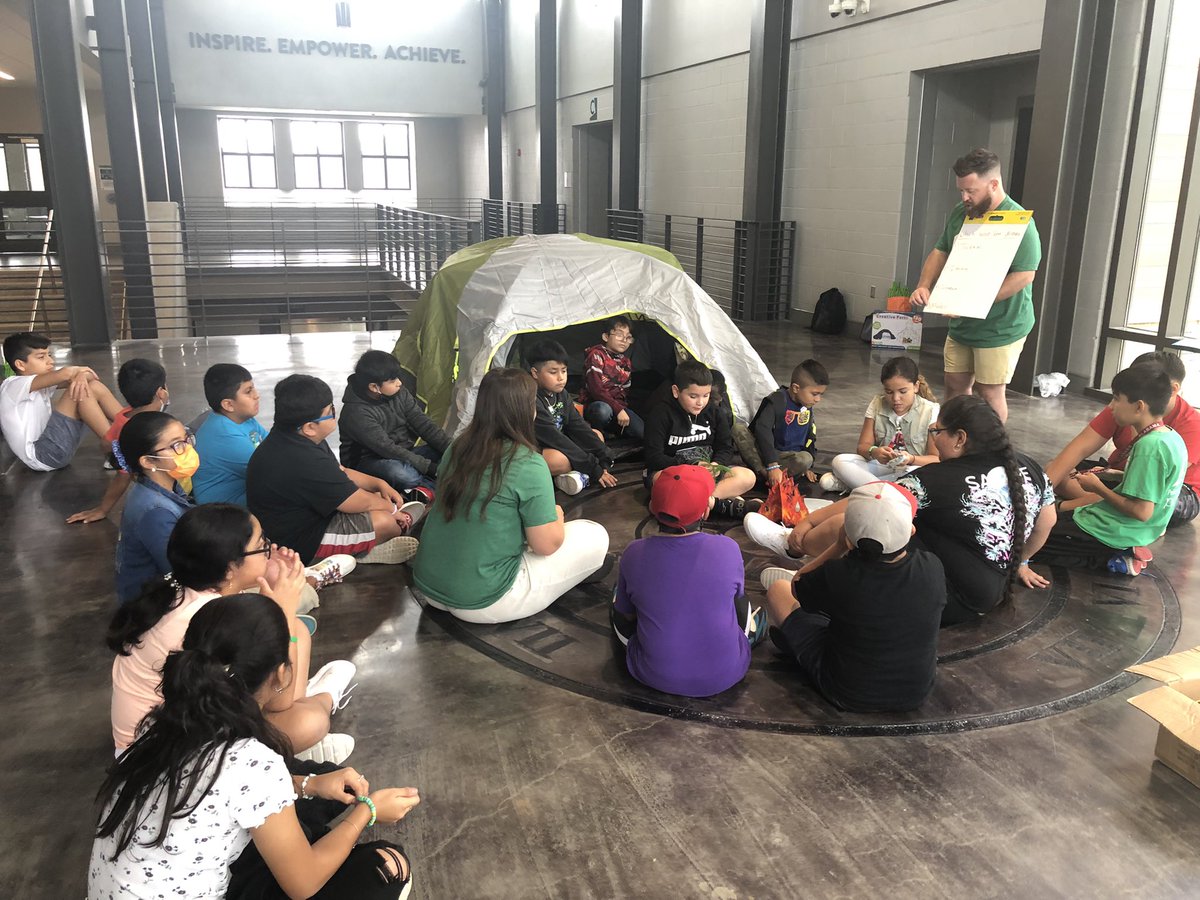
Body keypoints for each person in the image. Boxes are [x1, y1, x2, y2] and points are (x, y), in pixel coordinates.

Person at [89, 595, 420, 900]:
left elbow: (227, 787)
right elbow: (303, 884)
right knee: (388, 868)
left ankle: (306, 825)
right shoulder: (252, 762)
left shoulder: (162, 723)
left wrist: (308, 785)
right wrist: (369, 812)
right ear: (280, 675)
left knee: (321, 778)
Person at [746, 396, 1056, 625]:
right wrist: (1018, 561)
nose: (933, 439)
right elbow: (1047, 521)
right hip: (989, 594)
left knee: (859, 523)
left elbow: (869, 499)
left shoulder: (942, 478)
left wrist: (809, 519)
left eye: (937, 433)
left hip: (944, 597)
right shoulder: (1029, 467)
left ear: (960, 438)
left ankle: (793, 545)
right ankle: (799, 552)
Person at [108, 503, 357, 763]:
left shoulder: (190, 586)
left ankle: (298, 723)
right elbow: (276, 701)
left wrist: (275, 591)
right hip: (165, 756)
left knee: (296, 630)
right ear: (229, 568)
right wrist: (281, 610)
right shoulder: (204, 620)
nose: (271, 551)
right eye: (262, 547)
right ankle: (322, 699)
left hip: (182, 724)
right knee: (311, 722)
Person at [412, 368, 610, 624]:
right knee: (594, 534)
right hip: (486, 600)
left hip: (431, 589)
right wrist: (558, 518)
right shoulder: (529, 463)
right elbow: (545, 545)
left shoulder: (457, 446)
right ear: (528, 410)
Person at [758, 482, 947, 712]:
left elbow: (797, 585)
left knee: (779, 589)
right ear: (911, 530)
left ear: (847, 533)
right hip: (915, 693)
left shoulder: (838, 574)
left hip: (846, 691)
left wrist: (837, 546)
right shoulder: (932, 566)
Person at [909, 148, 1042, 423]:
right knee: (955, 387)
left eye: (971, 190)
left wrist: (974, 302)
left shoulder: (1021, 223)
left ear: (993, 184)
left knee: (990, 393)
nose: (964, 197)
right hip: (962, 323)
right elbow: (940, 250)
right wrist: (924, 284)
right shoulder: (962, 212)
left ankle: (992, 455)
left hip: (1001, 326)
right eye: (961, 191)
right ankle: (954, 448)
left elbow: (1024, 276)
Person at [611, 465, 764, 697]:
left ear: (653, 507)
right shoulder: (727, 548)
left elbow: (627, 614)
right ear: (705, 512)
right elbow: (736, 598)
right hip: (728, 672)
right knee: (736, 599)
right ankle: (752, 627)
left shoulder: (634, 553)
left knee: (619, 598)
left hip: (654, 674)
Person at [246, 374, 424, 566]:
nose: (334, 413)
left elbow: (342, 472)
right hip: (299, 542)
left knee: (377, 499)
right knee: (388, 523)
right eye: (330, 410)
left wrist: (378, 483)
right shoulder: (302, 458)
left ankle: (362, 545)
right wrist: (392, 509)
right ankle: (355, 554)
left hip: (313, 514)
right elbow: (355, 502)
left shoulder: (297, 437)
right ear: (310, 427)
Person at [1034, 365, 1186, 576]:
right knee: (1045, 523)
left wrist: (1098, 487)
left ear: (1139, 407)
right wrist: (1117, 475)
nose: (1111, 406)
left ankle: (1114, 556)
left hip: (1112, 531)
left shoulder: (1149, 447)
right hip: (1129, 528)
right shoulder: (1170, 436)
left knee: (1031, 539)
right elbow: (1159, 485)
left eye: (1116, 399)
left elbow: (1142, 511)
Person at [1045, 351, 1199, 527]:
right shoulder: (1123, 406)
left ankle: (1083, 505)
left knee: (1143, 501)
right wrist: (1037, 495)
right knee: (1055, 468)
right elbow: (1079, 448)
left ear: (1173, 389)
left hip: (1168, 492)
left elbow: (1158, 483)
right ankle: (1100, 504)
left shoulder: (1191, 423)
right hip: (1121, 476)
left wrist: (1073, 501)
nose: (1112, 404)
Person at [644, 359, 757, 517]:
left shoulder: (715, 412)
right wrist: (692, 465)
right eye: (693, 396)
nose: (700, 402)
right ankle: (718, 503)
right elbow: (653, 457)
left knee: (747, 477)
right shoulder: (661, 414)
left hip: (708, 475)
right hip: (675, 474)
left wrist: (717, 465)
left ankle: (701, 503)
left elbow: (725, 448)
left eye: (706, 395)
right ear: (676, 391)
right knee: (658, 479)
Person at [0, 330, 123, 472]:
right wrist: (78, 375)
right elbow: (65, 373)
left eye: (49, 355)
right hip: (43, 455)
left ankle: (131, 429)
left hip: (53, 447)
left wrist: (80, 376)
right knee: (80, 392)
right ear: (21, 365)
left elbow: (91, 377)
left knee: (91, 386)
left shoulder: (38, 382)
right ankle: (117, 450)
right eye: (41, 357)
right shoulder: (13, 385)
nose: (50, 361)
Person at [67, 358, 170, 525]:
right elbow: (123, 476)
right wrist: (103, 509)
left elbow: (107, 441)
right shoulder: (139, 431)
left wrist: (113, 451)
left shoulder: (124, 416)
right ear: (161, 393)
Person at [338, 349, 449, 501]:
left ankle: (424, 488)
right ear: (374, 387)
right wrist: (430, 468)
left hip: (403, 452)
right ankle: (435, 485)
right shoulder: (356, 413)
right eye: (392, 380)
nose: (399, 382)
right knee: (402, 474)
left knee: (448, 452)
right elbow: (387, 448)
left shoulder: (399, 393)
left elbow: (424, 425)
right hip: (367, 462)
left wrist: (454, 449)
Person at [114, 412, 198, 605]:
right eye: (176, 445)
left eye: (186, 440)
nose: (188, 449)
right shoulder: (156, 512)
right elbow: (182, 572)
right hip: (151, 608)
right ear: (148, 461)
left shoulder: (165, 485)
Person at [825, 356, 941, 492]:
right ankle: (886, 491)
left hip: (912, 468)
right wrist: (874, 452)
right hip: (882, 466)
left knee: (919, 475)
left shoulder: (931, 410)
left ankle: (859, 486)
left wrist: (911, 459)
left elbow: (936, 459)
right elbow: (863, 447)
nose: (896, 399)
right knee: (840, 461)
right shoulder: (877, 404)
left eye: (903, 392)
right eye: (889, 392)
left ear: (915, 386)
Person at [528, 338, 618, 495]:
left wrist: (604, 453)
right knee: (559, 459)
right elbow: (554, 438)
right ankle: (579, 475)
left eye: (563, 371)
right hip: (539, 448)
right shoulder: (532, 398)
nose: (561, 378)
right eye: (553, 372)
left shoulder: (562, 394)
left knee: (597, 436)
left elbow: (578, 426)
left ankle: (574, 477)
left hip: (560, 441)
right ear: (535, 373)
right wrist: (593, 467)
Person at [734, 359, 828, 487]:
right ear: (796, 388)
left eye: (820, 394)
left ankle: (770, 478)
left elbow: (810, 435)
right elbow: (762, 430)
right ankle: (765, 473)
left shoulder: (807, 405)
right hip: (767, 454)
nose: (818, 399)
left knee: (806, 459)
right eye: (815, 394)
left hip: (788, 457)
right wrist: (772, 465)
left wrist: (807, 468)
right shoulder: (777, 400)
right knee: (738, 429)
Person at [193, 363, 269, 507]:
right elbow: (272, 471)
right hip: (225, 517)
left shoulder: (243, 419)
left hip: (247, 498)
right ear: (228, 405)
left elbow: (272, 444)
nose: (257, 395)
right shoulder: (224, 435)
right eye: (248, 391)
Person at [581, 316, 644, 440]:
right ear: (606, 337)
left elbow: (625, 391)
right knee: (602, 410)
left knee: (642, 432)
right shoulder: (596, 355)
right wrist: (618, 410)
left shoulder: (625, 362)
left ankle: (613, 431)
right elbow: (596, 390)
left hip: (618, 408)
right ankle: (596, 433)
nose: (624, 340)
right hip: (596, 405)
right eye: (619, 335)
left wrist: (623, 411)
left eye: (628, 337)